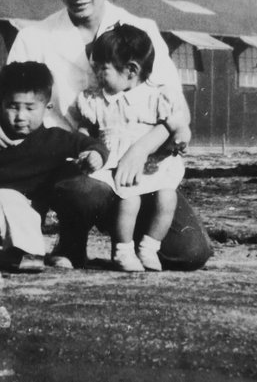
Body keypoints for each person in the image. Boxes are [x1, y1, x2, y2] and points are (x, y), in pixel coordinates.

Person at [0, 0, 212, 271]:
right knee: (82, 190)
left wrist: (140, 149)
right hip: (77, 170)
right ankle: (72, 242)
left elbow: (176, 111)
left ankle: (132, 240)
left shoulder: (138, 29)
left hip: (140, 167)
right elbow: (6, 98)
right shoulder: (35, 38)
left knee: (189, 252)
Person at [0, 61, 108, 272]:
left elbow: (91, 144)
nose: (20, 116)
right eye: (13, 106)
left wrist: (95, 154)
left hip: (22, 213)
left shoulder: (54, 139)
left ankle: (28, 252)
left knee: (5, 196)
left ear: (47, 108)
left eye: (30, 108)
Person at [68, 24, 191, 272]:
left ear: (132, 70)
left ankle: (149, 248)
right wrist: (85, 149)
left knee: (168, 197)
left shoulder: (157, 97)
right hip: (116, 166)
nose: (97, 74)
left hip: (152, 165)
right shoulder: (96, 101)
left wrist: (182, 138)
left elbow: (179, 124)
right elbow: (85, 130)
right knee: (129, 199)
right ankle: (122, 249)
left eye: (103, 69)